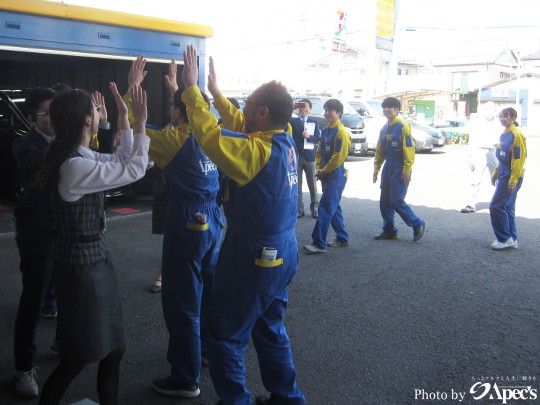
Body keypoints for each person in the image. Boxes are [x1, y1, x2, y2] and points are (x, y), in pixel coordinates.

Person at [181, 45, 306, 405]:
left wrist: (192, 92)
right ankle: (287, 397)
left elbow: (212, 138)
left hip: (254, 253)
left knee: (225, 334)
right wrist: (216, 94)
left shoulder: (255, 152)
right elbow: (238, 125)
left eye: (248, 101)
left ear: (263, 112)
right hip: (284, 251)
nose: (243, 107)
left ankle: (235, 400)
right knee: (269, 327)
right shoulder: (282, 142)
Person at [35, 83, 149, 405]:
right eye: (95, 111)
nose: (100, 114)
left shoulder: (80, 156)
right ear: (87, 120)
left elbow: (122, 159)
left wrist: (126, 117)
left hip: (94, 260)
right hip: (83, 267)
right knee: (77, 359)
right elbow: (134, 168)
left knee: (114, 350)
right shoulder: (74, 167)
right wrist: (140, 122)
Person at [125, 56, 223, 398]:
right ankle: (206, 353)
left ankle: (185, 377)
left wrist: (131, 92)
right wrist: (181, 90)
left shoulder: (172, 141)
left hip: (187, 222)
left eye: (172, 106)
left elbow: (130, 134)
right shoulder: (214, 131)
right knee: (209, 294)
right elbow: (200, 111)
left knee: (182, 300)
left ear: (178, 112)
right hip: (214, 220)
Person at [372, 97, 426, 241]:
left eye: (390, 107)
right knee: (384, 201)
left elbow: (409, 149)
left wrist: (407, 169)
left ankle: (417, 223)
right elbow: (380, 150)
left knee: (396, 200)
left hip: (400, 166)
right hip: (388, 166)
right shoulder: (384, 128)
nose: (386, 110)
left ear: (397, 109)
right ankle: (389, 230)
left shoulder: (403, 126)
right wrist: (376, 167)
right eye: (384, 107)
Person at [303, 99, 350, 253]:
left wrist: (324, 170)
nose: (327, 113)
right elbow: (319, 152)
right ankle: (342, 238)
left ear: (339, 113)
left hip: (336, 175)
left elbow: (338, 157)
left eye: (331, 110)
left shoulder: (341, 132)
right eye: (326, 110)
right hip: (326, 173)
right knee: (333, 207)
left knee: (325, 207)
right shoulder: (327, 130)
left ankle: (318, 243)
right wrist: (319, 169)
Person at [489, 107, 526, 250]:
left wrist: (513, 180)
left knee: (496, 206)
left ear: (513, 118)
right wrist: (495, 173)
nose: (501, 118)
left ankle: (504, 238)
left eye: (505, 116)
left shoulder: (516, 136)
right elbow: (503, 158)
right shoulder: (505, 134)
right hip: (504, 174)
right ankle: (512, 238)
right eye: (500, 116)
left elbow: (518, 159)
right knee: (508, 207)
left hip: (511, 176)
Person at [461, 101, 500, 213]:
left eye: (491, 108)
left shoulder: (498, 123)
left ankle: (500, 203)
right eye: (487, 108)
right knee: (475, 179)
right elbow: (472, 140)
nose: (489, 110)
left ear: (495, 110)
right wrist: (471, 157)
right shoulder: (477, 123)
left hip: (493, 152)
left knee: (498, 178)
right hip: (479, 152)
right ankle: (470, 204)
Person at [290, 99, 320, 219]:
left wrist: (309, 137)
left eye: (306, 106)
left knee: (312, 184)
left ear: (310, 109)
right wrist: (291, 107)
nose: (303, 109)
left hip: (309, 156)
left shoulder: (314, 122)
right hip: (296, 156)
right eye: (301, 106)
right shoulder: (293, 121)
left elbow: (318, 138)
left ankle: (315, 209)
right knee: (297, 185)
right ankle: (299, 210)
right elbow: (283, 121)